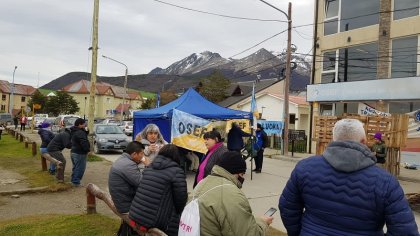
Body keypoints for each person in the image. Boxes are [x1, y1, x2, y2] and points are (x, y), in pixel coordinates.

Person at [279, 119, 419, 235]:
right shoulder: (386, 182)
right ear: (363, 141)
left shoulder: (305, 168)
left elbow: (287, 207)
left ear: (334, 139)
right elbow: (405, 231)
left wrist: (299, 232)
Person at [192, 151, 273, 235]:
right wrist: (262, 222)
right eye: (242, 174)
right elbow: (248, 233)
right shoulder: (231, 195)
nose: (242, 178)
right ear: (237, 172)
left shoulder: (202, 183)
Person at [129, 144, 188, 236]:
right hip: (153, 221)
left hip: (135, 213)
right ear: (176, 156)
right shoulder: (177, 171)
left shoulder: (149, 167)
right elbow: (181, 200)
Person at [109, 141, 149, 236]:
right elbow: (142, 183)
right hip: (125, 205)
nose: (143, 156)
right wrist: (147, 166)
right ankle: (141, 231)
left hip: (121, 200)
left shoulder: (123, 160)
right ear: (134, 154)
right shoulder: (128, 165)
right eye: (142, 154)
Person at [70, 118, 90, 187]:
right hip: (79, 153)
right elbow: (83, 141)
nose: (85, 125)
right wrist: (87, 150)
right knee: (80, 168)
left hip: (73, 151)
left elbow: (81, 137)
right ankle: (76, 182)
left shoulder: (74, 130)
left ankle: (73, 180)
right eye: (84, 124)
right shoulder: (80, 132)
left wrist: (86, 131)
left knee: (75, 167)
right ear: (79, 124)